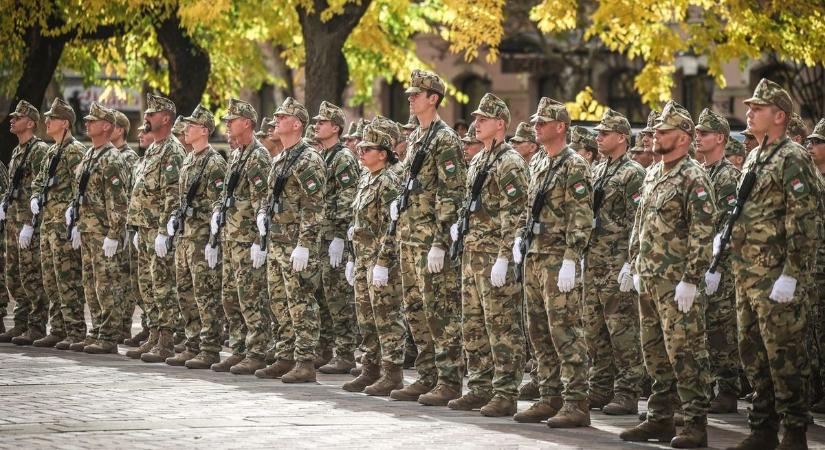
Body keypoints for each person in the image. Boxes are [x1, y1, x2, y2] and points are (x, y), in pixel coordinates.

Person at [727, 79, 818, 449]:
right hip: (747, 272)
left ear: (779, 116)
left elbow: (805, 219)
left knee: (783, 354)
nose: (749, 112)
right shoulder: (755, 155)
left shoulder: (793, 156)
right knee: (752, 353)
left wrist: (793, 274)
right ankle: (762, 428)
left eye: (757, 108)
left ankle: (794, 431)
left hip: (776, 273)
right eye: (749, 107)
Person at [621, 100, 716, 448]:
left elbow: (703, 231)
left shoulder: (693, 176)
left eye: (663, 131)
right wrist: (633, 263)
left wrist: (692, 278)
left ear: (683, 137)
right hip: (650, 279)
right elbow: (640, 225)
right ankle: (659, 418)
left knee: (686, 354)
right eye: (655, 130)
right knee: (655, 354)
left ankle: (694, 424)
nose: (654, 136)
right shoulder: (653, 173)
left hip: (677, 284)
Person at [512, 97, 593, 428]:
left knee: (566, 331)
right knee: (539, 331)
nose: (536, 127)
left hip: (558, 258)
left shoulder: (574, 165)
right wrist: (520, 239)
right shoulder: (538, 163)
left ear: (561, 127)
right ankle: (550, 396)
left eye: (542, 123)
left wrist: (572, 259)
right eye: (535, 122)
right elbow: (529, 209)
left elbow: (582, 216)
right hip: (535, 255)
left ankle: (576, 402)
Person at [389, 70, 466, 406]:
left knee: (440, 312)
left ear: (433, 98)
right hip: (410, 236)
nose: (410, 99)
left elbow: (452, 194)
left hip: (429, 242)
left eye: (416, 94)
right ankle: (427, 376)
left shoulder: (445, 139)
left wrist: (440, 242)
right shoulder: (419, 137)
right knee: (416, 311)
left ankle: (449, 381)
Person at [448, 93, 527, 416]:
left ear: (500, 124)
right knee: (474, 325)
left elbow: (516, 212)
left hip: (495, 255)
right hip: (473, 253)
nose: (476, 123)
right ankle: (480, 386)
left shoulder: (510, 161)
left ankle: (506, 391)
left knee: (502, 325)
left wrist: (505, 255)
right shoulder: (480, 159)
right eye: (475, 118)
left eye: (483, 119)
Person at [253, 97, 325, 383]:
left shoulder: (308, 158)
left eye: (282, 117)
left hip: (296, 243)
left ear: (296, 124)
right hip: (277, 241)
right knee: (279, 301)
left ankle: (305, 361)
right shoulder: (281, 158)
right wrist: (261, 216)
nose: (275, 121)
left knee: (301, 302)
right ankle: (285, 356)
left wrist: (305, 244)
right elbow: (268, 197)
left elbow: (314, 205)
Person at [584, 108, 646, 415]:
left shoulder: (633, 173)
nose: (598, 137)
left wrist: (630, 263)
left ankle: (627, 391)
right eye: (597, 133)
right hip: (594, 261)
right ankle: (600, 387)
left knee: (622, 331)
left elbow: (639, 220)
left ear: (622, 137)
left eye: (603, 133)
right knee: (595, 331)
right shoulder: (598, 169)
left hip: (616, 262)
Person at [205, 99, 272, 375]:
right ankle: (239, 349)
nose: (227, 126)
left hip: (247, 239)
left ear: (247, 123)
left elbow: (261, 203)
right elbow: (225, 195)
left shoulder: (258, 156)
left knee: (250, 297)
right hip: (231, 236)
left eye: (232, 121)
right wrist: (217, 212)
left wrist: (260, 241)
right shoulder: (236, 155)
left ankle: (256, 351)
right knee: (230, 297)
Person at [342, 124, 406, 396]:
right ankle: (370, 368)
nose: (361, 152)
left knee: (386, 316)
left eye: (367, 149)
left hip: (382, 258)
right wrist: (351, 256)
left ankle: (393, 373)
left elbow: (392, 227)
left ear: (383, 154)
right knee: (365, 315)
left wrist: (384, 261)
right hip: (363, 256)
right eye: (361, 148)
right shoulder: (368, 177)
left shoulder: (390, 180)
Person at [164, 104, 228, 369]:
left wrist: (213, 241)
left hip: (202, 239)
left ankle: (209, 348)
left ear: (204, 130)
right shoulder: (189, 159)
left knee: (205, 295)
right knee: (185, 293)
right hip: (185, 237)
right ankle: (192, 344)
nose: (186, 129)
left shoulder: (214, 163)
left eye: (191, 125)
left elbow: (218, 205)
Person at [124, 93, 186, 363]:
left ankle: (167, 341)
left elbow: (172, 195)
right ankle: (153, 334)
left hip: (160, 231)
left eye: (152, 113)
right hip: (145, 229)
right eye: (147, 112)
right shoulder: (153, 149)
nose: (146, 116)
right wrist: (137, 228)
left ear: (166, 119)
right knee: (148, 286)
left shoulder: (172, 150)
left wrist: (164, 231)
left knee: (163, 287)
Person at [69, 102, 131, 354]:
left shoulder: (112, 158)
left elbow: (118, 201)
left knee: (107, 284)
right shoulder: (90, 155)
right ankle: (96, 330)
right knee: (90, 283)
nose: (87, 124)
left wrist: (114, 234)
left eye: (92, 121)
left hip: (104, 232)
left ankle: (108, 335)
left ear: (106, 126)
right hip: (87, 229)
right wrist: (75, 222)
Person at [693, 108, 743, 415]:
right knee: (702, 328)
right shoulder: (700, 172)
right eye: (696, 132)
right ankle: (708, 385)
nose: (698, 137)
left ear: (721, 138)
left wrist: (715, 266)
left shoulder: (728, 176)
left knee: (721, 328)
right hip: (700, 263)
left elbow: (727, 225)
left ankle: (727, 389)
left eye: (704, 133)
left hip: (721, 266)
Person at [28, 98, 86, 350]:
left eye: (51, 118)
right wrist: (34, 196)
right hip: (48, 224)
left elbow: (80, 190)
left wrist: (76, 223)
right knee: (51, 280)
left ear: (64, 123)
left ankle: (75, 329)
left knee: (68, 280)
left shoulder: (75, 152)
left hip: (64, 224)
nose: (47, 121)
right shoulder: (52, 151)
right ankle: (58, 328)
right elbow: (39, 181)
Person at [312, 101, 359, 374]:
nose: (317, 125)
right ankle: (325, 348)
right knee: (323, 296)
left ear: (336, 128)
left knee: (338, 297)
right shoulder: (323, 155)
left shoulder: (342, 157)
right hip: (322, 235)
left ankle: (345, 353)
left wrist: (341, 236)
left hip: (334, 238)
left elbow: (347, 198)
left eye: (322, 122)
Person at [0, 100, 49, 345]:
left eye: (17, 117)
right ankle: (20, 323)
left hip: (28, 223)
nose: (12, 120)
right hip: (13, 221)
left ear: (30, 123)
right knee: (14, 276)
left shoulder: (39, 150)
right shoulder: (18, 150)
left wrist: (31, 223)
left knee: (31, 275)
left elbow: (39, 191)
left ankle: (37, 325)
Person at [806, 118, 825, 415]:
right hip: (813, 264)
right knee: (814, 328)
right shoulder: (812, 178)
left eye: (817, 142)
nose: (810, 146)